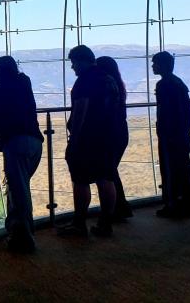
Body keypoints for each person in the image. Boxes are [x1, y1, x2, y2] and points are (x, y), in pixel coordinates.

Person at [0, 56, 44, 253]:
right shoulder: (24, 83)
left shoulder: (1, 89)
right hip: (34, 142)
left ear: (1, 72)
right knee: (20, 189)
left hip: (16, 144)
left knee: (19, 192)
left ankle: (24, 239)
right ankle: (20, 234)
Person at [61, 45, 120, 237]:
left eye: (74, 63)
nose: (72, 67)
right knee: (106, 178)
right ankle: (105, 223)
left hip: (88, 139)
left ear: (81, 61)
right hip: (109, 137)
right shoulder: (108, 79)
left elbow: (80, 112)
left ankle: (79, 224)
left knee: (80, 180)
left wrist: (74, 140)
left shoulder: (84, 82)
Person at [151, 51, 190, 218]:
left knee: (171, 171)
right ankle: (186, 205)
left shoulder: (164, 85)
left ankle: (174, 205)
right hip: (179, 134)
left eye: (155, 64)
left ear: (163, 65)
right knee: (182, 170)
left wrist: (165, 131)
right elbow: (187, 111)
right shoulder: (177, 83)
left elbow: (168, 112)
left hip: (170, 135)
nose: (152, 66)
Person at [96, 56, 133, 221]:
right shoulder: (117, 84)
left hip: (110, 133)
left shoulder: (105, 84)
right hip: (120, 132)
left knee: (107, 173)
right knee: (110, 171)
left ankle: (116, 209)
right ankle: (119, 207)